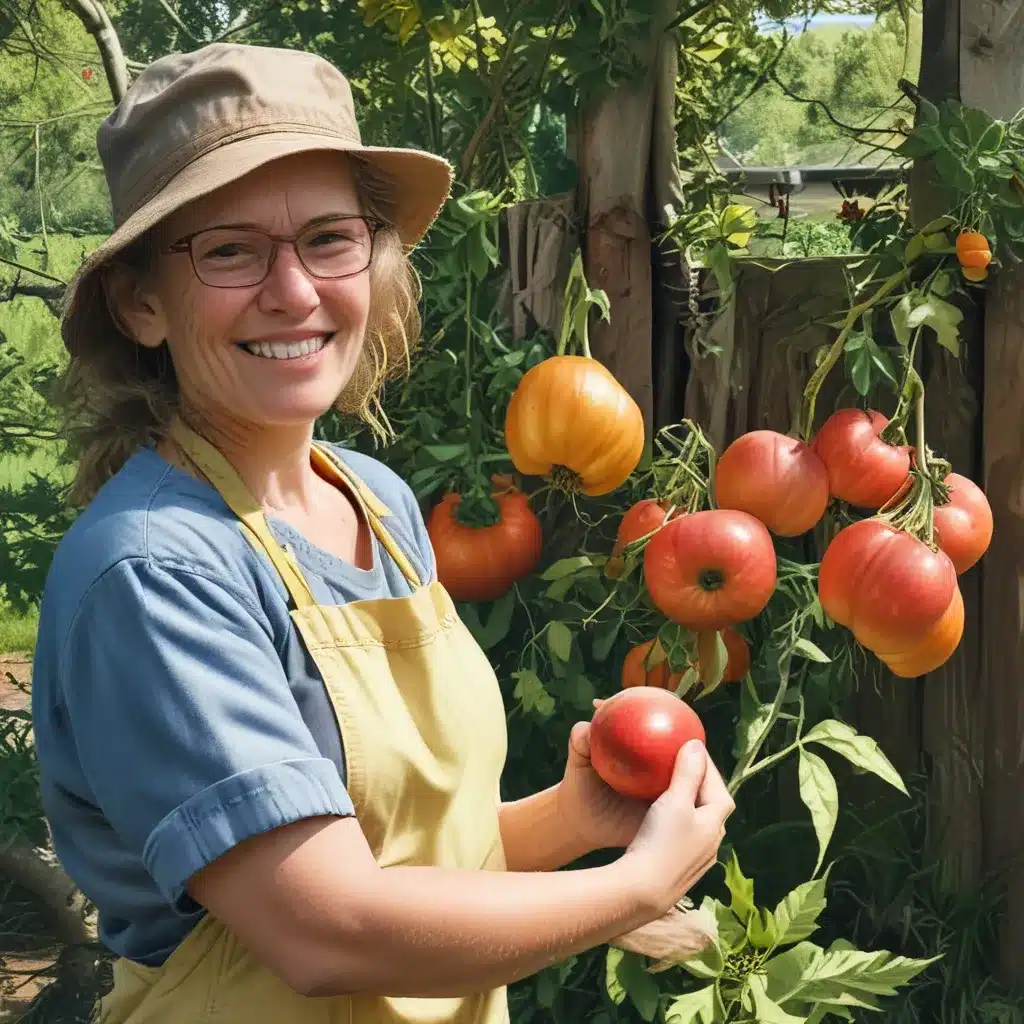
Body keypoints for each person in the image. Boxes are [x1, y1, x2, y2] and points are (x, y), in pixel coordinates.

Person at [29, 41, 735, 1024]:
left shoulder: (375, 501)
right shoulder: (154, 571)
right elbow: (325, 929)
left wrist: (575, 821)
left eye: (328, 238)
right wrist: (634, 888)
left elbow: (401, 860)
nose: (294, 290)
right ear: (143, 302)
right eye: (230, 249)